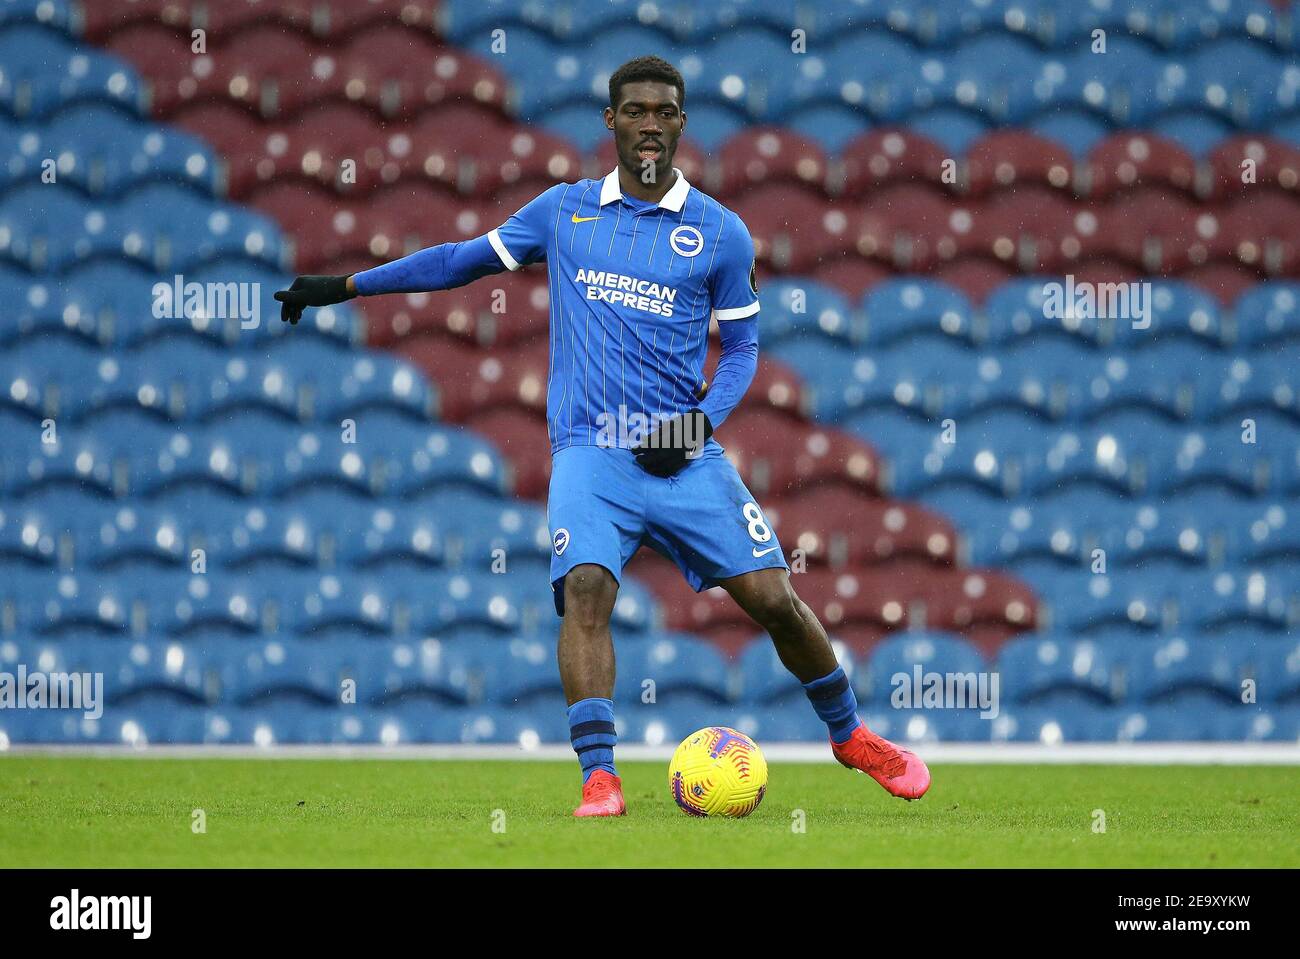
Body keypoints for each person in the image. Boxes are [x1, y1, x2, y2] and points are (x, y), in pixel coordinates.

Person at [275, 55, 931, 817]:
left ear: (681, 123)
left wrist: (700, 423)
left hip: (682, 452)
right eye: (636, 110)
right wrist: (344, 286)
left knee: (776, 598)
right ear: (610, 121)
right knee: (584, 591)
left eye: (664, 111)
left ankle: (851, 736)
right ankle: (600, 776)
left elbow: (744, 349)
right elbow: (459, 263)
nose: (650, 123)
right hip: (590, 448)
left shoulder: (721, 233)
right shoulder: (565, 212)